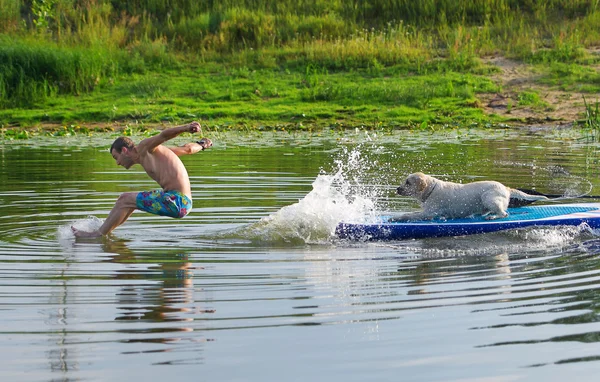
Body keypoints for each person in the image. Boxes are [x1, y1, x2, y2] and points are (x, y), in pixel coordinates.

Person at [72, 121, 212, 237]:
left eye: (116, 157)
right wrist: (201, 144)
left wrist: (186, 128)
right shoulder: (159, 153)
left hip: (177, 201)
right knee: (128, 203)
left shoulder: (145, 148)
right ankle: (106, 232)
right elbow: (187, 149)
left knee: (124, 199)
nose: (117, 163)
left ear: (125, 151)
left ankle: (96, 236)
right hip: (182, 203)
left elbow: (163, 135)